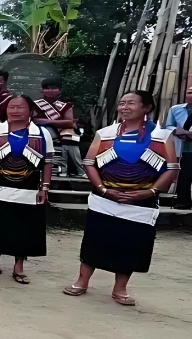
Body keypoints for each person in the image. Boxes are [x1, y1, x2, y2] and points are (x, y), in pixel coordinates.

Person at [64, 91, 176, 306]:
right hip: (104, 198)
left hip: (142, 201)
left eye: (131, 103)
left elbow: (171, 168)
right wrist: (103, 189)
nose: (124, 107)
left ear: (147, 108)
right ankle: (82, 280)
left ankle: (120, 287)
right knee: (95, 241)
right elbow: (89, 163)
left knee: (132, 244)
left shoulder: (163, 136)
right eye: (122, 103)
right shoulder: (105, 133)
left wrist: (149, 192)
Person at [0, 96, 52, 283]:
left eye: (20, 107)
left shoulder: (42, 133)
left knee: (23, 227)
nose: (15, 110)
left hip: (28, 187)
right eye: (11, 106)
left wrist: (45, 187)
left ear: (31, 111)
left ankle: (19, 267)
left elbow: (48, 163)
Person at [35, 77, 83, 179]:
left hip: (61, 135)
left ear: (60, 91)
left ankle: (77, 169)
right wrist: (59, 123)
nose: (50, 90)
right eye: (47, 88)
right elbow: (33, 120)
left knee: (71, 138)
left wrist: (46, 121)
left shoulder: (65, 106)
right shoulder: (35, 105)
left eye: (53, 88)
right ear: (42, 90)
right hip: (40, 134)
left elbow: (69, 123)